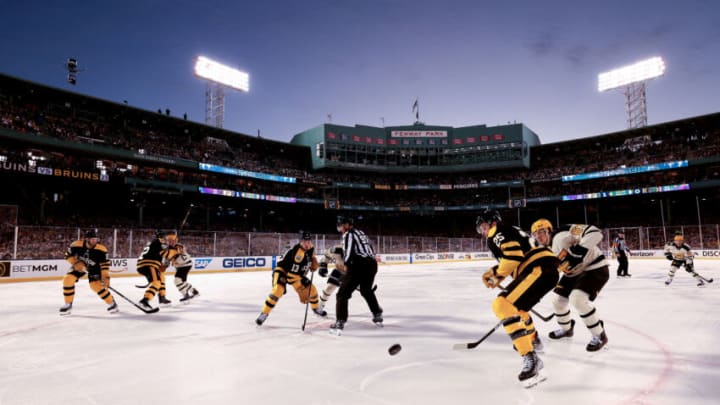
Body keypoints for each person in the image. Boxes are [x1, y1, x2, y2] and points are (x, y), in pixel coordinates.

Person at [476, 210, 559, 388]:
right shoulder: (509, 230)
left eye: (483, 226)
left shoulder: (496, 232)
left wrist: (495, 275)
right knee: (519, 311)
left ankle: (531, 358)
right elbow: (514, 258)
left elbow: (514, 257)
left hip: (538, 267)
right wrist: (495, 274)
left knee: (501, 304)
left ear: (491, 223)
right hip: (544, 268)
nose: (483, 232)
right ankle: (533, 340)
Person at [531, 220, 610, 352]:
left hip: (594, 267)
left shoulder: (563, 233)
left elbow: (595, 232)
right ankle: (567, 330)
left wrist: (579, 250)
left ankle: (599, 335)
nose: (539, 236)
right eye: (535, 234)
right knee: (557, 301)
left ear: (549, 231)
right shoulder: (540, 250)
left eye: (542, 232)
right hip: (573, 274)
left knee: (577, 299)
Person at [255, 231, 326, 325]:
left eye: (308, 241)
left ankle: (316, 308)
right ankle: (264, 313)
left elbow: (311, 256)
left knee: (312, 289)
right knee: (278, 290)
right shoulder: (298, 254)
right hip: (282, 271)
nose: (307, 244)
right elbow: (291, 277)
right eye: (305, 241)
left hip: (296, 273)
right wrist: (301, 290)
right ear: (301, 241)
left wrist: (314, 261)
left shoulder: (311, 247)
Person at [330, 215, 383, 335]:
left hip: (359, 265)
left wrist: (347, 270)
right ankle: (377, 313)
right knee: (366, 290)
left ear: (347, 225)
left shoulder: (348, 234)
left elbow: (348, 253)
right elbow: (368, 248)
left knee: (342, 293)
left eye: (342, 225)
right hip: (372, 265)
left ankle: (340, 321)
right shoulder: (361, 232)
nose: (340, 228)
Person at [59, 229, 118, 315]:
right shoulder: (76, 245)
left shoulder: (101, 249)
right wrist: (76, 262)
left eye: (96, 239)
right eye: (93, 239)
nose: (95, 241)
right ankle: (68, 304)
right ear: (87, 239)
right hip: (80, 265)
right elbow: (67, 255)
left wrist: (105, 276)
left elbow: (105, 264)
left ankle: (112, 303)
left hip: (95, 268)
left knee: (95, 286)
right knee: (68, 279)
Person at [161, 231, 199, 302]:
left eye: (172, 241)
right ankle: (194, 291)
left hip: (185, 265)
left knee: (177, 280)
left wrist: (169, 252)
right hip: (180, 266)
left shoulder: (179, 246)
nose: (170, 242)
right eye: (169, 241)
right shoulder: (168, 249)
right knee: (183, 282)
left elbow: (176, 252)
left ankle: (185, 295)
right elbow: (167, 262)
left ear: (176, 240)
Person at [136, 230, 168, 312]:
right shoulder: (158, 243)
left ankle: (162, 297)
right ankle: (145, 300)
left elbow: (158, 255)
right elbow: (166, 253)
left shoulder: (153, 243)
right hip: (149, 265)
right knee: (156, 283)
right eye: (164, 237)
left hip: (145, 264)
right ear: (160, 237)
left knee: (161, 277)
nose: (165, 239)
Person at [318, 245, 346, 311]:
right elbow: (326, 255)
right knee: (329, 288)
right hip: (338, 271)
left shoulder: (358, 252)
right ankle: (321, 305)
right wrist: (323, 266)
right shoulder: (337, 249)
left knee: (344, 294)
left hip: (351, 274)